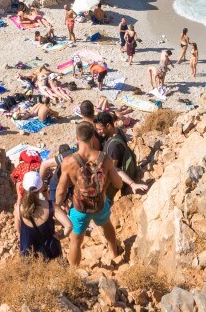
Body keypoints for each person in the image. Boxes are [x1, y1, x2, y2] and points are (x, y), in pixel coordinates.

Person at [55, 121, 146, 266]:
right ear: (92, 138)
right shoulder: (104, 158)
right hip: (100, 205)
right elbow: (118, 183)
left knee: (76, 241)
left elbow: (60, 190)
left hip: (79, 209)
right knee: (107, 225)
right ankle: (114, 254)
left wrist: (58, 206)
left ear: (77, 139)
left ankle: (74, 271)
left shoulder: (68, 162)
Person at [16, 170, 60, 259]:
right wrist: (60, 236)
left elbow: (18, 231)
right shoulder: (51, 206)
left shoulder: (18, 208)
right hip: (50, 254)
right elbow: (69, 226)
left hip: (28, 255)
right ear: (41, 187)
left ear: (24, 187)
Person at [97, 112, 140, 185]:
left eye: (100, 129)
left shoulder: (114, 146)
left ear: (108, 126)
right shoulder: (118, 131)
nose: (98, 132)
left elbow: (112, 170)